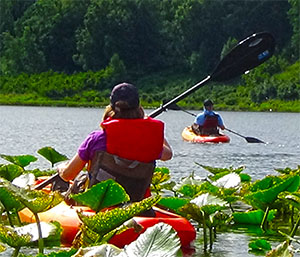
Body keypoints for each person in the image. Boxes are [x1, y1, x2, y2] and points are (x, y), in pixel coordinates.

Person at [56, 82, 173, 205]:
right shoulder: (151, 141)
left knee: (73, 182)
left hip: (97, 204)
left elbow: (68, 175)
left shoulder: (97, 138)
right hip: (134, 204)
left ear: (111, 107)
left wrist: (61, 168)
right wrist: (150, 129)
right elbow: (168, 154)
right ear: (139, 107)